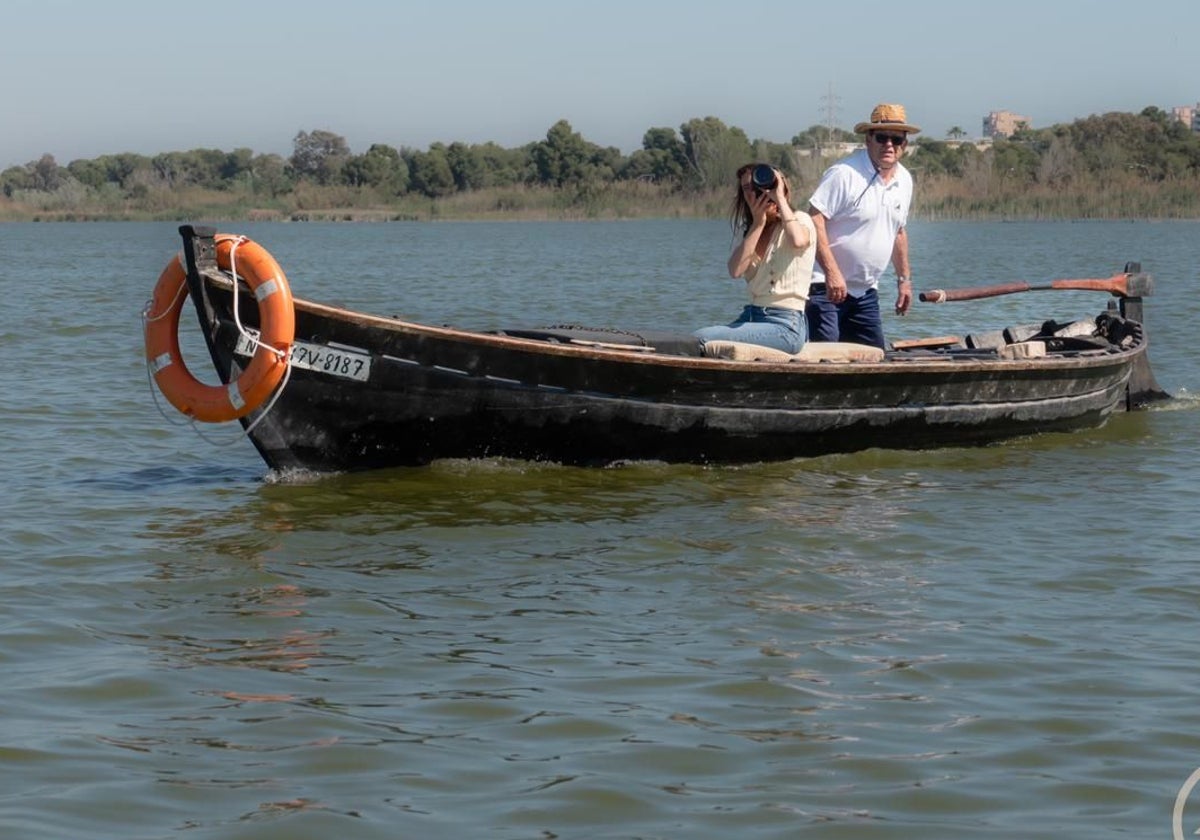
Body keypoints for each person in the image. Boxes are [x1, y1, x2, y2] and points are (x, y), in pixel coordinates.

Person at [806, 103, 919, 349]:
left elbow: (898, 232)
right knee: (825, 358)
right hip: (824, 287)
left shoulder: (905, 180)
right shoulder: (844, 173)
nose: (889, 145)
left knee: (874, 356)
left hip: (865, 292)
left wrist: (904, 280)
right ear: (868, 139)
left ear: (904, 145)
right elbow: (813, 219)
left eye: (896, 139)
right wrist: (832, 273)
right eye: (882, 137)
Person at [694, 163, 816, 355]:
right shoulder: (751, 232)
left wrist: (780, 198)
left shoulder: (800, 219)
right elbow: (735, 271)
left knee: (700, 337)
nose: (756, 193)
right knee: (696, 340)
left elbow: (799, 241)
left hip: (786, 325)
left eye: (758, 187)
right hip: (752, 316)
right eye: (747, 189)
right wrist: (758, 224)